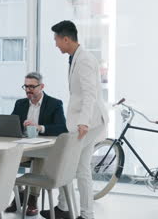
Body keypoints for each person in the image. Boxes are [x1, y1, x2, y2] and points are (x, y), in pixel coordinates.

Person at [40, 20, 109, 219]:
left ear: (66, 39)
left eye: (56, 40)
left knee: (69, 163)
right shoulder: (74, 58)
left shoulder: (85, 60)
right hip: (85, 122)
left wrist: (84, 122)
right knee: (80, 168)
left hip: (90, 122)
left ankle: (73, 210)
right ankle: (69, 209)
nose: (55, 44)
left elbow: (90, 94)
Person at [5, 72, 68, 216]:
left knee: (39, 160)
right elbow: (12, 123)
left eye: (32, 87)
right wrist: (19, 126)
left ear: (42, 86)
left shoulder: (54, 103)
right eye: (26, 86)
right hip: (24, 147)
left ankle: (33, 198)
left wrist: (40, 127)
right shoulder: (20, 103)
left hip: (44, 148)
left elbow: (62, 127)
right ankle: (19, 194)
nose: (28, 90)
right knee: (7, 159)